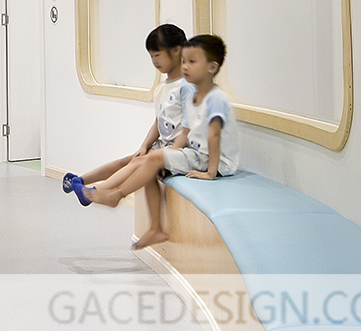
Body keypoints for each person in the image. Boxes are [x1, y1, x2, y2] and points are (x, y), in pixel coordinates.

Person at [70, 34, 239, 249]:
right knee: (148, 164)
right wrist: (165, 156)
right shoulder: (197, 96)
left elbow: (214, 136)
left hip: (215, 162)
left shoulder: (215, 98)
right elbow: (186, 130)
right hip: (198, 154)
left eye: (192, 62)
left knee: (152, 160)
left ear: (212, 67)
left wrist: (210, 173)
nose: (185, 67)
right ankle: (155, 228)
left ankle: (116, 195)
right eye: (184, 61)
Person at [62, 24, 190, 245]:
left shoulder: (187, 86)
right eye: (151, 56)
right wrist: (144, 145)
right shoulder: (164, 86)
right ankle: (84, 182)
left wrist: (169, 156)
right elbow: (158, 121)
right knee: (132, 159)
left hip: (182, 150)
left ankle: (99, 192)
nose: (155, 61)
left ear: (177, 50)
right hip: (166, 146)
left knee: (140, 164)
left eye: (158, 55)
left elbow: (189, 129)